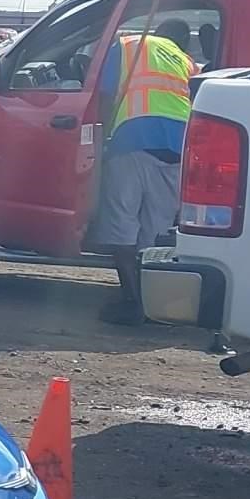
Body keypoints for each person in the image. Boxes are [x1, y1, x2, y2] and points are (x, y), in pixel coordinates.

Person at [91, 21, 195, 323]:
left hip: (134, 138)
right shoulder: (187, 60)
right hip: (180, 146)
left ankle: (131, 301)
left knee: (122, 221)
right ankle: (152, 304)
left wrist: (103, 136)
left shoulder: (127, 46)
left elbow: (105, 95)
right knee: (156, 229)